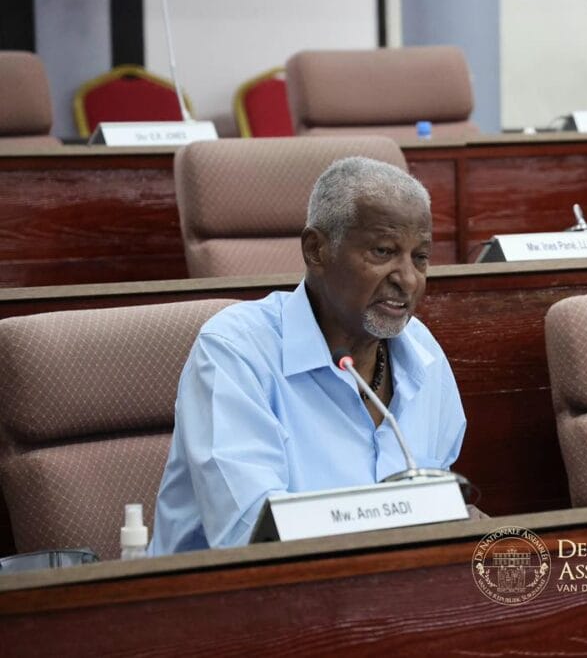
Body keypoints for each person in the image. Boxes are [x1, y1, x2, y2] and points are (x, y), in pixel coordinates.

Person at [149, 157, 466, 554]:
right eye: (383, 251)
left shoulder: (425, 356)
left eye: (420, 257)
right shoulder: (235, 352)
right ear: (316, 250)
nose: (407, 279)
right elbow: (249, 537)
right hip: (231, 602)